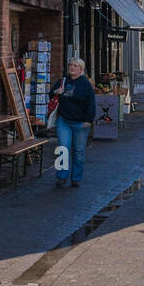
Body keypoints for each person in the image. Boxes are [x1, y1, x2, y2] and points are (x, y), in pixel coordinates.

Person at [50, 57, 96, 188]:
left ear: (81, 69)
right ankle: (61, 177)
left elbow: (91, 104)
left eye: (75, 66)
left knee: (78, 151)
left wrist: (88, 120)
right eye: (70, 65)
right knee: (63, 149)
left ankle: (76, 178)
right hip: (63, 121)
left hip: (80, 123)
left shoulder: (85, 84)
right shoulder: (63, 81)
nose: (72, 67)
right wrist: (56, 92)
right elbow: (50, 94)